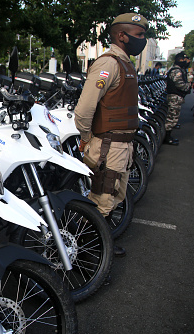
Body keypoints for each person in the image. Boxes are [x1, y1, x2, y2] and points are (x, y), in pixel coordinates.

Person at [75, 13, 149, 257]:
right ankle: (86, 252)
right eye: (139, 35)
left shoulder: (125, 63)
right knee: (101, 201)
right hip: (108, 146)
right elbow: (85, 109)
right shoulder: (108, 64)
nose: (143, 39)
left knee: (113, 197)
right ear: (121, 35)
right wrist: (86, 137)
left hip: (121, 146)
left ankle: (98, 246)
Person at [165, 52, 191, 145]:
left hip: (175, 97)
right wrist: (188, 86)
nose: (186, 61)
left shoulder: (177, 69)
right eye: (184, 60)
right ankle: (167, 137)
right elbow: (179, 84)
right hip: (174, 97)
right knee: (171, 118)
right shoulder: (176, 71)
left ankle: (168, 136)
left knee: (173, 117)